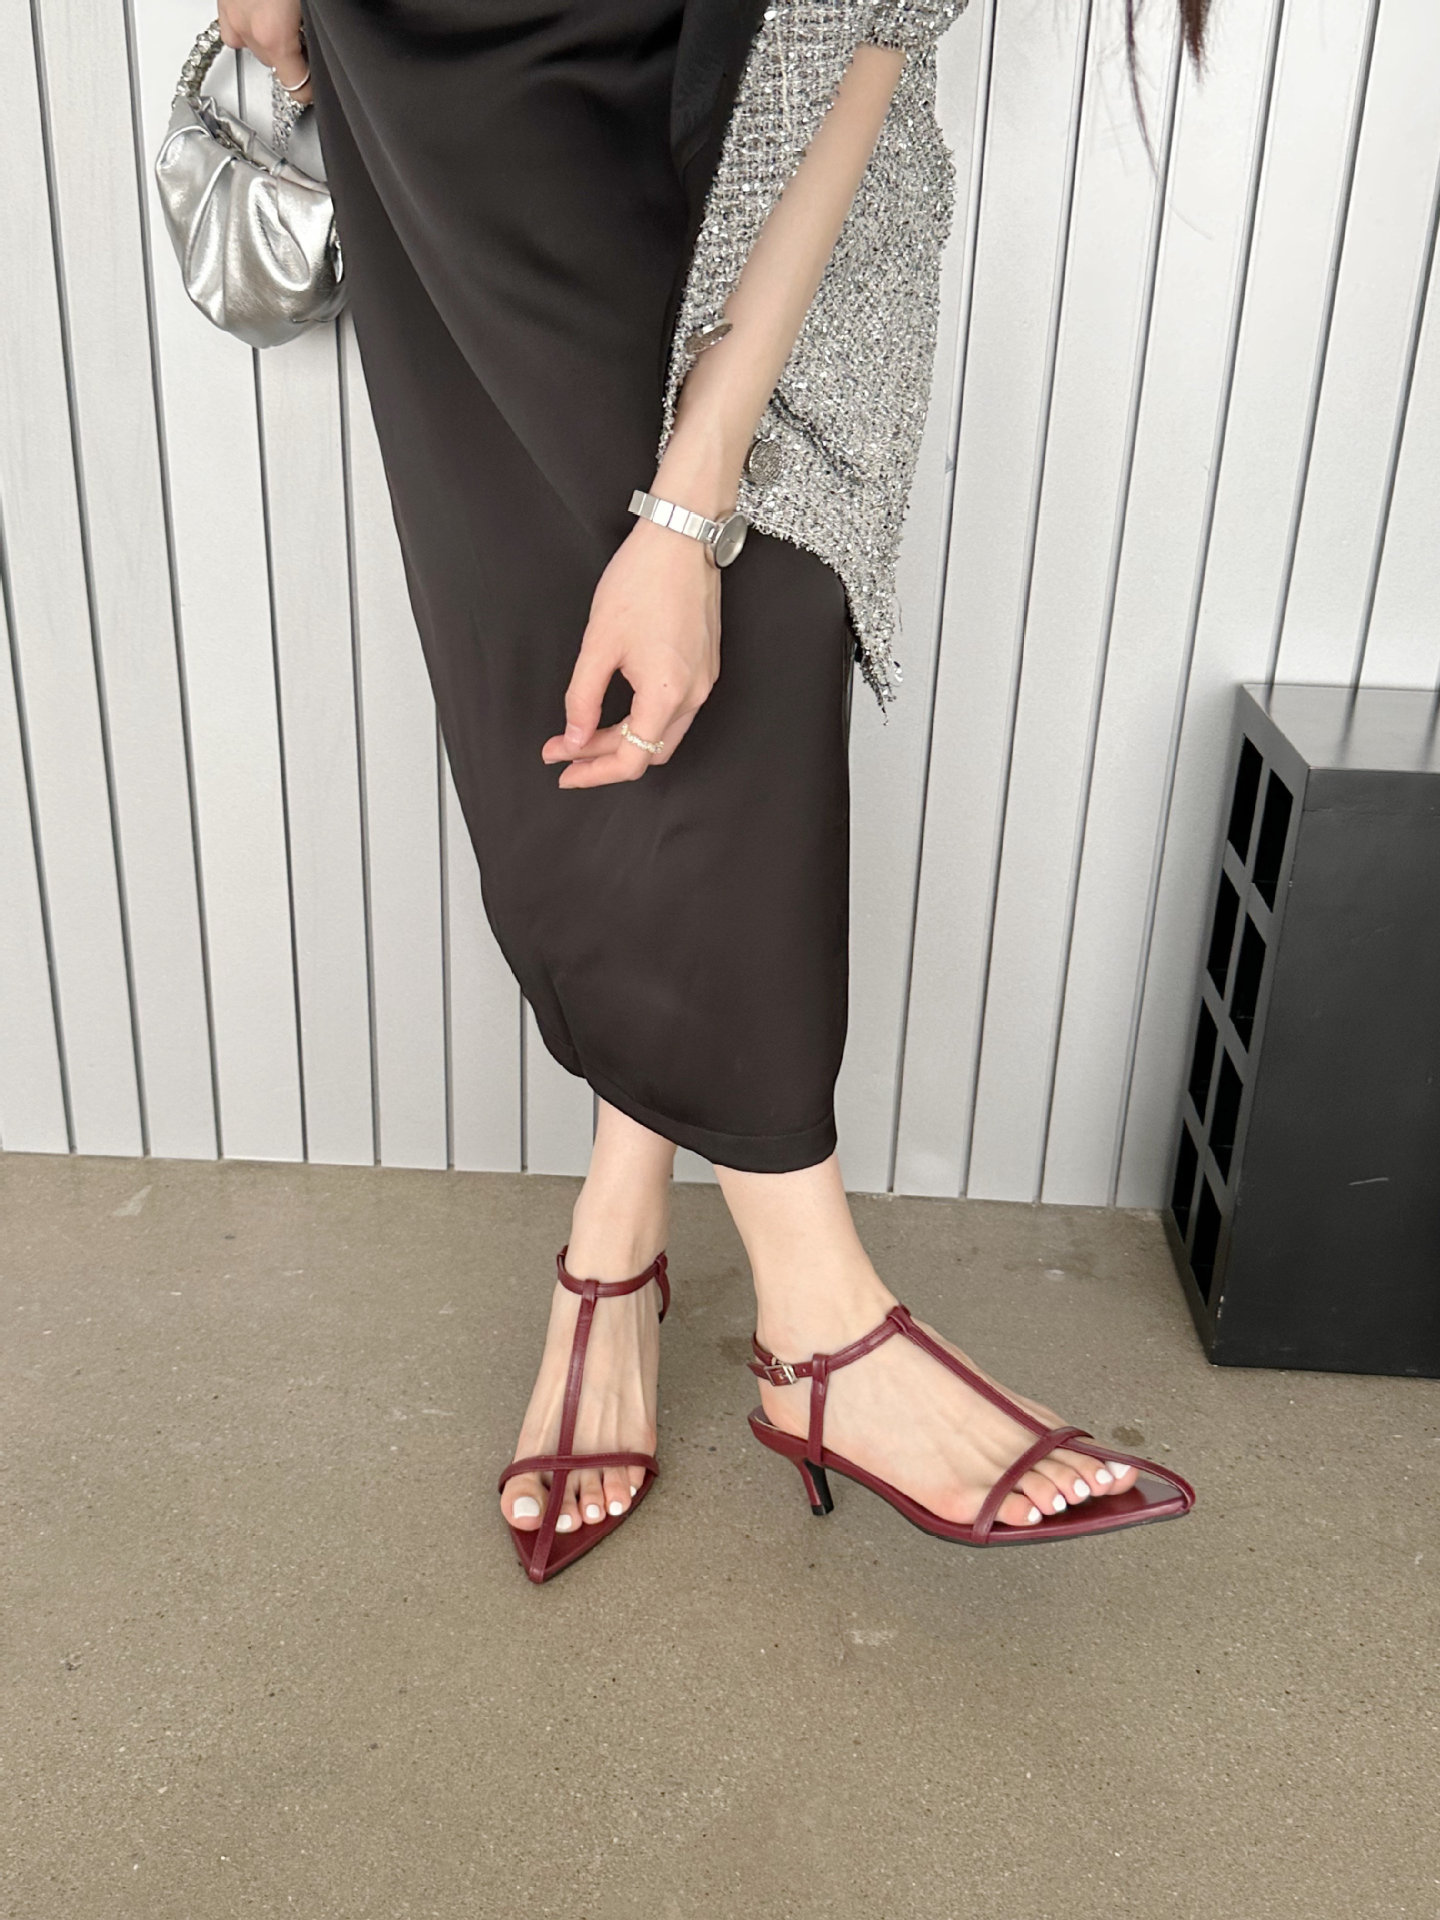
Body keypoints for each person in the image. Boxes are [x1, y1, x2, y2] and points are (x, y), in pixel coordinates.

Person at [217, 0, 1203, 1582]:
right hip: (448, 91)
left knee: (731, 629)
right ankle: (796, 1320)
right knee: (585, 681)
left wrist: (689, 510)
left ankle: (688, 1278)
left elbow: (865, 41)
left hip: (751, 99)